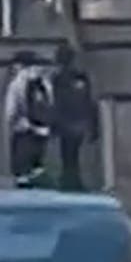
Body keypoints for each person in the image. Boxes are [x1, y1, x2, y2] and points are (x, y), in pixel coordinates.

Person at [50, 41, 98, 192]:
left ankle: (69, 180)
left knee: (68, 154)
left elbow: (55, 102)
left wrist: (53, 124)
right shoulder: (80, 77)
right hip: (77, 122)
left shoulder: (58, 79)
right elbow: (89, 101)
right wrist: (94, 124)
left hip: (67, 122)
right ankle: (71, 180)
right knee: (72, 154)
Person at [4, 49, 53, 187]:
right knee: (37, 163)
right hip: (42, 128)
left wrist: (12, 121)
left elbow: (11, 108)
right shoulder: (44, 81)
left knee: (21, 165)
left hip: (23, 127)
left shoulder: (17, 82)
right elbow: (50, 102)